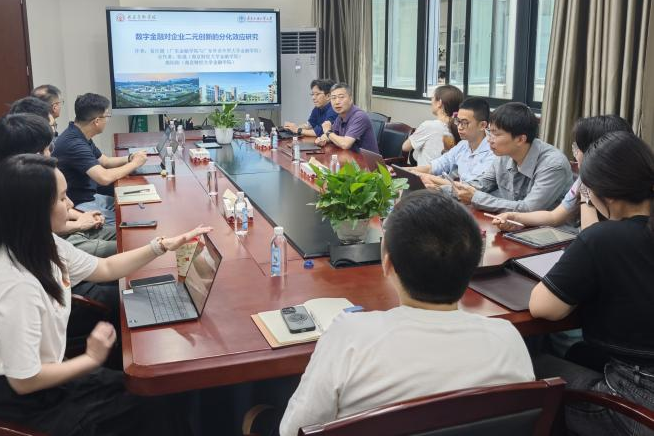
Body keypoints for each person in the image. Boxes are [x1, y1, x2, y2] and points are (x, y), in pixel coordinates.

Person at [0, 153, 210, 435]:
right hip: (22, 409)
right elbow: (24, 380)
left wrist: (162, 246)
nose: (71, 205)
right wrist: (91, 359)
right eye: (62, 198)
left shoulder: (40, 244)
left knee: (159, 393)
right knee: (155, 403)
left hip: (47, 383)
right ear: (35, 210)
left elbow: (105, 268)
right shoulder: (16, 285)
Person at [279, 190, 534, 436]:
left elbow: (293, 431)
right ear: (474, 263)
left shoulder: (349, 338)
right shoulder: (508, 340)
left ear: (388, 264)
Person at [529, 131, 654, 436]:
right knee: (577, 353)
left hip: (636, 405)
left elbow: (543, 308)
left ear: (602, 193)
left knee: (528, 365)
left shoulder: (604, 238)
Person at [0, 114, 119, 347]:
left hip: (52, 278)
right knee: (128, 296)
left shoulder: (4, 190)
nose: (51, 156)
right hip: (53, 298)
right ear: (28, 158)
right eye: (46, 150)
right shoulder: (7, 206)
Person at [6, 100, 118, 257]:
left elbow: (61, 209)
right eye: (52, 126)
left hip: (68, 229)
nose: (54, 135)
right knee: (128, 244)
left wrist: (80, 218)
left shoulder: (28, 168)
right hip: (59, 242)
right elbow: (47, 227)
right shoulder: (24, 180)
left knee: (125, 233)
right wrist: (79, 224)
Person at [493, 115, 632, 232]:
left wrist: (586, 194)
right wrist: (515, 217)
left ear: (597, 151)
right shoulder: (584, 180)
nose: (576, 154)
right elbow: (554, 217)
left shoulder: (628, 185)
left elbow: (593, 238)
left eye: (577, 148)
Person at [454, 102, 572, 213]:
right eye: (489, 132)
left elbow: (528, 208)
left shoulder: (553, 164)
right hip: (510, 222)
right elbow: (482, 183)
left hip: (547, 227)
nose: (489, 140)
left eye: (496, 134)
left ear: (520, 139)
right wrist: (450, 189)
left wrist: (475, 198)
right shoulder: (504, 154)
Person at [53, 93, 147, 226]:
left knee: (133, 208)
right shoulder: (74, 143)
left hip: (90, 196)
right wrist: (135, 164)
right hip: (79, 204)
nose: (107, 120)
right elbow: (104, 177)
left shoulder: (79, 133)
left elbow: (105, 161)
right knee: (128, 222)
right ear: (96, 121)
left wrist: (130, 158)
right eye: (106, 116)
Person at [408, 96, 494, 187]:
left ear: (482, 125)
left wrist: (428, 177)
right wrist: (404, 170)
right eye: (458, 121)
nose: (459, 127)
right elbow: (435, 166)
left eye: (464, 123)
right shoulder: (463, 145)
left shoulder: (493, 151)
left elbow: (471, 187)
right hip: (457, 192)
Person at [402, 85, 463, 166]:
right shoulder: (461, 127)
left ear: (439, 103)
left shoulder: (429, 126)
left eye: (432, 98)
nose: (431, 102)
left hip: (426, 173)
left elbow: (405, 147)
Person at [314, 83, 379, 153]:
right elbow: (332, 135)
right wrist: (321, 139)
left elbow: (345, 144)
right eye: (333, 98)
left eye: (341, 97)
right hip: (349, 156)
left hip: (366, 159)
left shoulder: (359, 116)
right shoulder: (340, 116)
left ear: (350, 99)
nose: (337, 102)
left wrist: (328, 131)